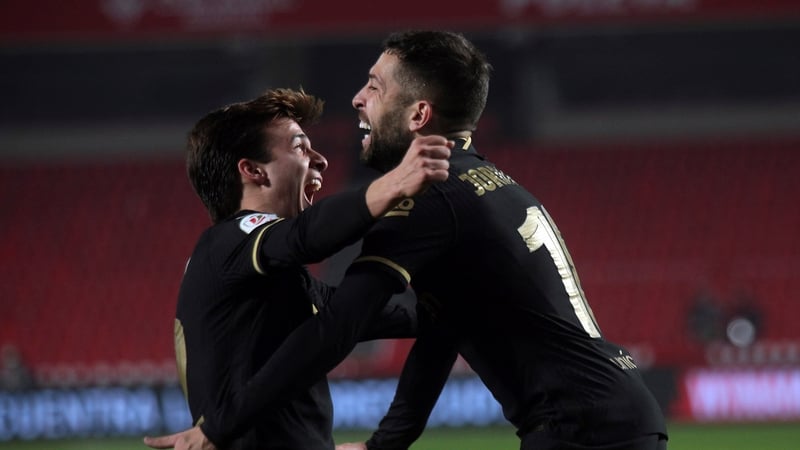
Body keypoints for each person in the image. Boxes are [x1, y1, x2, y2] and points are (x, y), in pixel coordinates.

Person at [145, 31, 668, 450]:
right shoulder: (484, 185)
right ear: (251, 171)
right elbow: (435, 322)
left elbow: (342, 324)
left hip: (578, 427)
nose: (357, 99)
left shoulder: (428, 202)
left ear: (418, 115)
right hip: (604, 413)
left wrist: (219, 426)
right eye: (302, 147)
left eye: (374, 86)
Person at [152, 87, 451, 450]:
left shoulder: (278, 282)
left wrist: (453, 302)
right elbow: (307, 238)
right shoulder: (227, 241)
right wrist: (393, 184)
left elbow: (368, 314)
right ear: (253, 171)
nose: (321, 160)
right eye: (299, 147)